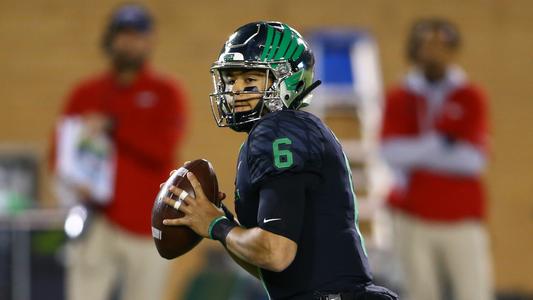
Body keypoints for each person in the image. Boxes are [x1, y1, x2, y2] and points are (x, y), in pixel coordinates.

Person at [162, 21, 397, 300]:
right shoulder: (281, 131)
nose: (235, 90)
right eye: (230, 80)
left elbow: (276, 253)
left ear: (288, 80)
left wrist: (218, 225)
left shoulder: (278, 130)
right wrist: (224, 224)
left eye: (249, 80)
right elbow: (274, 268)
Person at [51, 4, 188, 300]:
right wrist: (72, 186)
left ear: (150, 40)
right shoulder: (85, 93)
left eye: (137, 35)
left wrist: (114, 126)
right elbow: (59, 154)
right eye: (122, 35)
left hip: (147, 224)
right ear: (110, 39)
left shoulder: (166, 92)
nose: (129, 42)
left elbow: (162, 149)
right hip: (96, 221)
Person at [380, 18, 492, 300]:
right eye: (427, 45)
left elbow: (472, 160)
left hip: (462, 217)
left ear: (453, 50)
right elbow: (390, 152)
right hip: (412, 215)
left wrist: (416, 153)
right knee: (419, 292)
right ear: (414, 50)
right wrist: (439, 144)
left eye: (442, 45)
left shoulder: (470, 97)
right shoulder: (399, 97)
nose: (434, 53)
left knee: (473, 292)